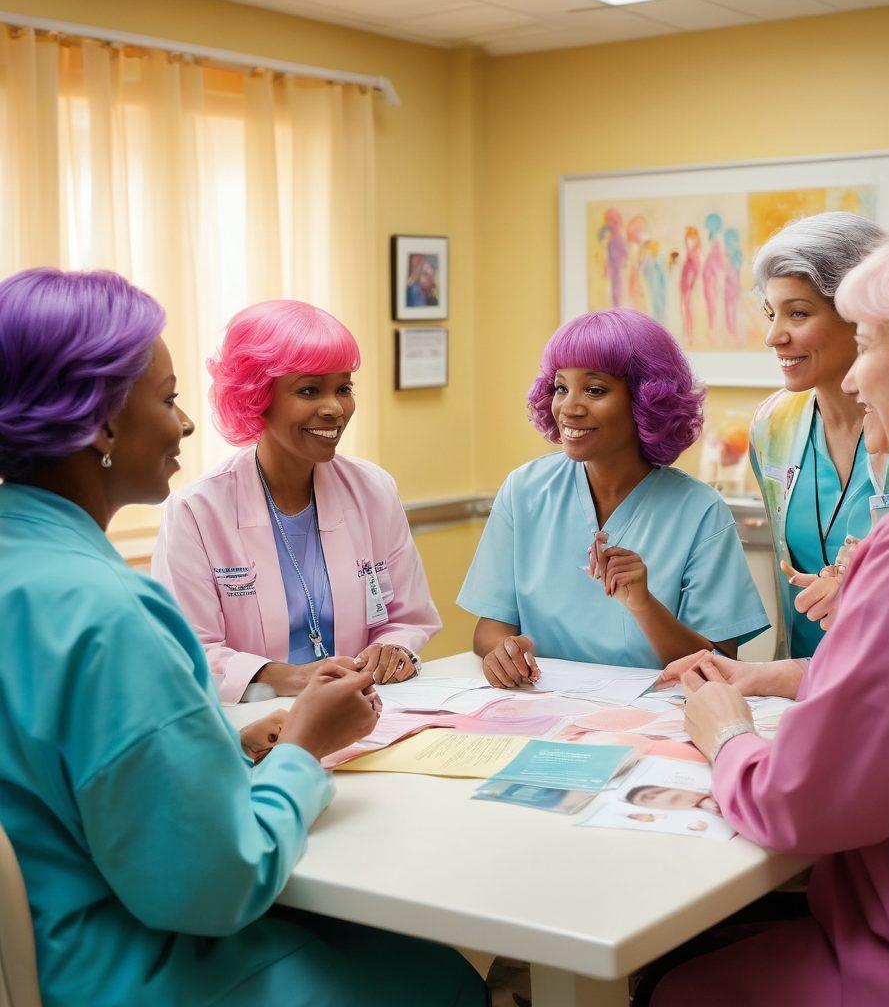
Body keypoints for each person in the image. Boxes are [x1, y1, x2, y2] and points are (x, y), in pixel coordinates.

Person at [0, 268, 484, 1007]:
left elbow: (65, 767)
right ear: (100, 426)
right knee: (439, 977)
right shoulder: (108, 612)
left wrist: (228, 744)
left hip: (43, 939)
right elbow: (218, 883)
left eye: (342, 385)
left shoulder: (25, 572)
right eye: (166, 400)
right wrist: (300, 751)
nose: (185, 424)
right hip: (120, 966)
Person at [652, 221, 889, 1007]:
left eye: (870, 347)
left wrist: (725, 732)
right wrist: (788, 673)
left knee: (675, 985)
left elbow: (800, 806)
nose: (853, 381)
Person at [457, 308, 768, 689]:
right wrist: (504, 653)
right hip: (542, 708)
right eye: (560, 387)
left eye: (595, 389)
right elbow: (489, 630)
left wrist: (643, 603)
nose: (569, 408)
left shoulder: (700, 511)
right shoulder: (524, 490)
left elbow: (718, 665)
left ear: (645, 400)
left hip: (658, 718)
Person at [152, 300, 440, 704]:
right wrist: (288, 677)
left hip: (366, 710)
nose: (334, 408)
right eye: (309, 390)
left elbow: (408, 617)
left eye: (343, 388)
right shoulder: (197, 511)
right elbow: (188, 651)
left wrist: (394, 648)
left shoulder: (374, 490)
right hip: (255, 725)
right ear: (256, 397)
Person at [749, 211, 889, 658]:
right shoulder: (771, 427)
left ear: (861, 317)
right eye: (771, 314)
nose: (773, 337)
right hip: (801, 684)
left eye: (797, 313)